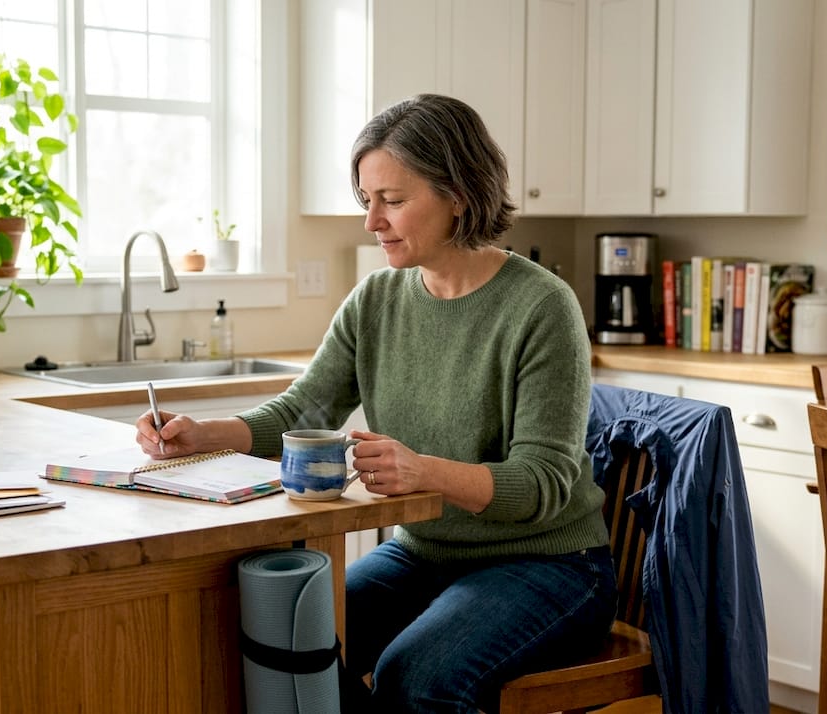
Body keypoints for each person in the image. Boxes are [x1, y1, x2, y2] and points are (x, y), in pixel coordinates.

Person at [135, 93, 617, 712]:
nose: (372, 221)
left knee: (417, 677)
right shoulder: (376, 300)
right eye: (368, 200)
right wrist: (201, 435)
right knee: (282, 637)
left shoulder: (541, 307)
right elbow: (299, 415)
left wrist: (424, 472)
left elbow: (544, 483)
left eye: (393, 200)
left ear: (459, 195)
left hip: (551, 566)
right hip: (426, 553)